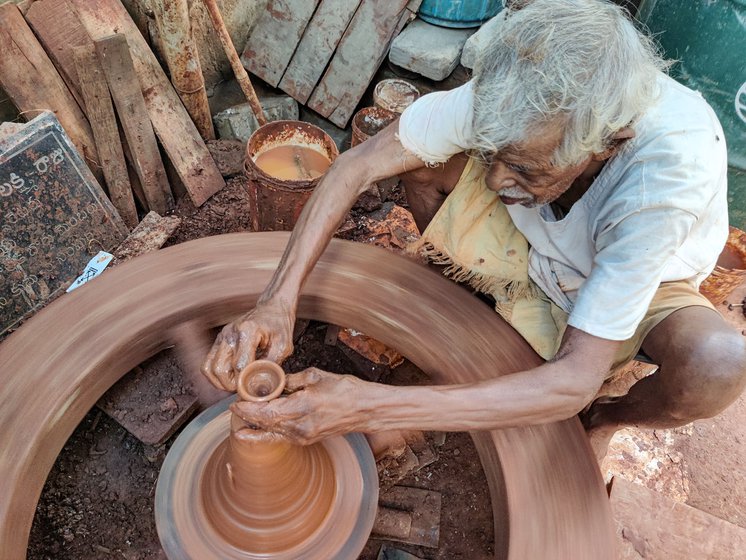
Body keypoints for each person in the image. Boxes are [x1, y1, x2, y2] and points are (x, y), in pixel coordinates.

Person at [202, 0, 746, 457]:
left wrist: (364, 403)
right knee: (421, 160)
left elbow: (573, 383)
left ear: (608, 143)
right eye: (493, 152)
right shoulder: (520, 89)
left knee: (716, 366)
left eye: (526, 167)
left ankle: (607, 422)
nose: (496, 179)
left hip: (639, 280)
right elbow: (356, 165)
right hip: (535, 240)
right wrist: (277, 300)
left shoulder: (660, 183)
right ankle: (467, 308)